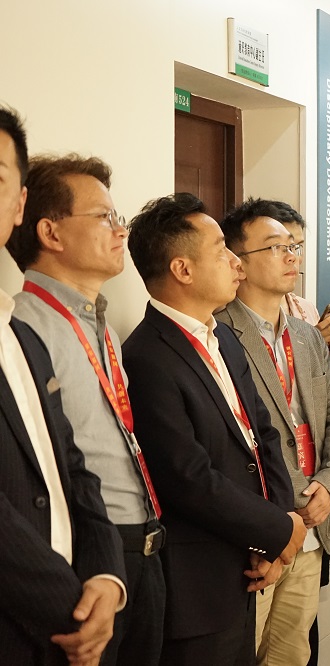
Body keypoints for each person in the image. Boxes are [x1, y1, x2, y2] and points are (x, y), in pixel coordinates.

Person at [122, 193, 306, 665]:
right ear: (183, 269)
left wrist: (277, 528)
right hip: (198, 580)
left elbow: (263, 433)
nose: (235, 262)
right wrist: (276, 530)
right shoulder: (147, 356)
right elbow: (186, 477)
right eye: (222, 249)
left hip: (247, 559)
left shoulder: (221, 334)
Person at [8, 153, 166, 665]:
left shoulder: (101, 325)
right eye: (104, 217)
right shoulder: (23, 328)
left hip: (140, 545)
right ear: (51, 233)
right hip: (86, 551)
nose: (120, 230)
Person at [0, 106, 126, 666]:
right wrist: (73, 607)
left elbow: (73, 467)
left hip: (88, 587)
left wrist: (105, 576)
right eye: (104, 217)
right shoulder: (35, 320)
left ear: (18, 204)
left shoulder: (17, 333)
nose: (119, 230)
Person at [216, 199, 330, 665]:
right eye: (276, 247)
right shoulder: (219, 333)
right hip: (261, 532)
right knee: (244, 651)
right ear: (238, 260)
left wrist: (329, 487)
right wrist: (294, 504)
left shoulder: (306, 334)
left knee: (292, 652)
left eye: (293, 246)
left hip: (314, 521)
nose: (292, 256)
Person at [263, 199, 330, 395]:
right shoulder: (231, 319)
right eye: (280, 247)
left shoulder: (305, 307)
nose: (293, 257)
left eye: (297, 247)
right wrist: (311, 345)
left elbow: (327, 396)